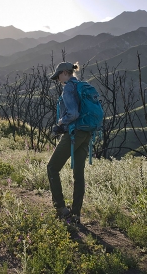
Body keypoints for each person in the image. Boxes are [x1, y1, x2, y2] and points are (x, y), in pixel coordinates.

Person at [47, 61, 92, 224]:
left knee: (52, 168)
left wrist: (60, 123)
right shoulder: (82, 86)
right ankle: (76, 213)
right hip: (87, 133)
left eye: (58, 75)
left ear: (65, 73)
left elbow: (72, 113)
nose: (58, 79)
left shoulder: (68, 88)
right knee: (78, 174)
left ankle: (60, 208)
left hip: (74, 133)